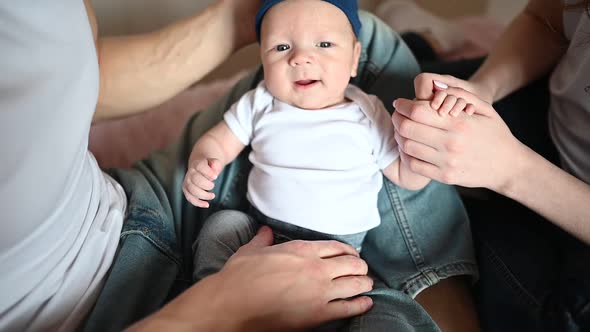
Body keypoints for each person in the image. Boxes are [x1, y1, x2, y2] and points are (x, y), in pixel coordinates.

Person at [0, 0, 468, 331]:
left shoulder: (365, 111)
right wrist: (209, 159)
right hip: (231, 244)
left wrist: (420, 144)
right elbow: (223, 139)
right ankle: (215, 275)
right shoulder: (262, 102)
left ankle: (423, 296)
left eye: (326, 46)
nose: (303, 56)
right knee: (223, 227)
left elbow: (404, 172)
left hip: (337, 249)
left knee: (385, 314)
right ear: (263, 61)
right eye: (281, 49)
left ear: (351, 63)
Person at [386, 0, 590, 330]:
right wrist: (482, 90)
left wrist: (513, 170)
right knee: (366, 97)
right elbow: (544, 20)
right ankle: (429, 41)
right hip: (544, 110)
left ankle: (428, 40)